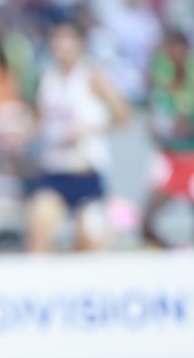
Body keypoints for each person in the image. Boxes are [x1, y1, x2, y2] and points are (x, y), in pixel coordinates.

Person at [26, 21, 130, 252]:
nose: (61, 47)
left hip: (85, 171)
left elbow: (124, 115)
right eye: (57, 41)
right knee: (38, 234)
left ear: (79, 44)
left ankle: (111, 225)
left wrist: (87, 130)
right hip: (54, 169)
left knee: (86, 246)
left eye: (67, 41)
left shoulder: (92, 76)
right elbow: (40, 119)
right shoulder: (47, 78)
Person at [142, 30, 194, 247]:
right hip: (169, 156)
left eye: (177, 48)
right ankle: (169, 253)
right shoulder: (160, 78)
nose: (173, 54)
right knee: (147, 218)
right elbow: (154, 121)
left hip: (191, 156)